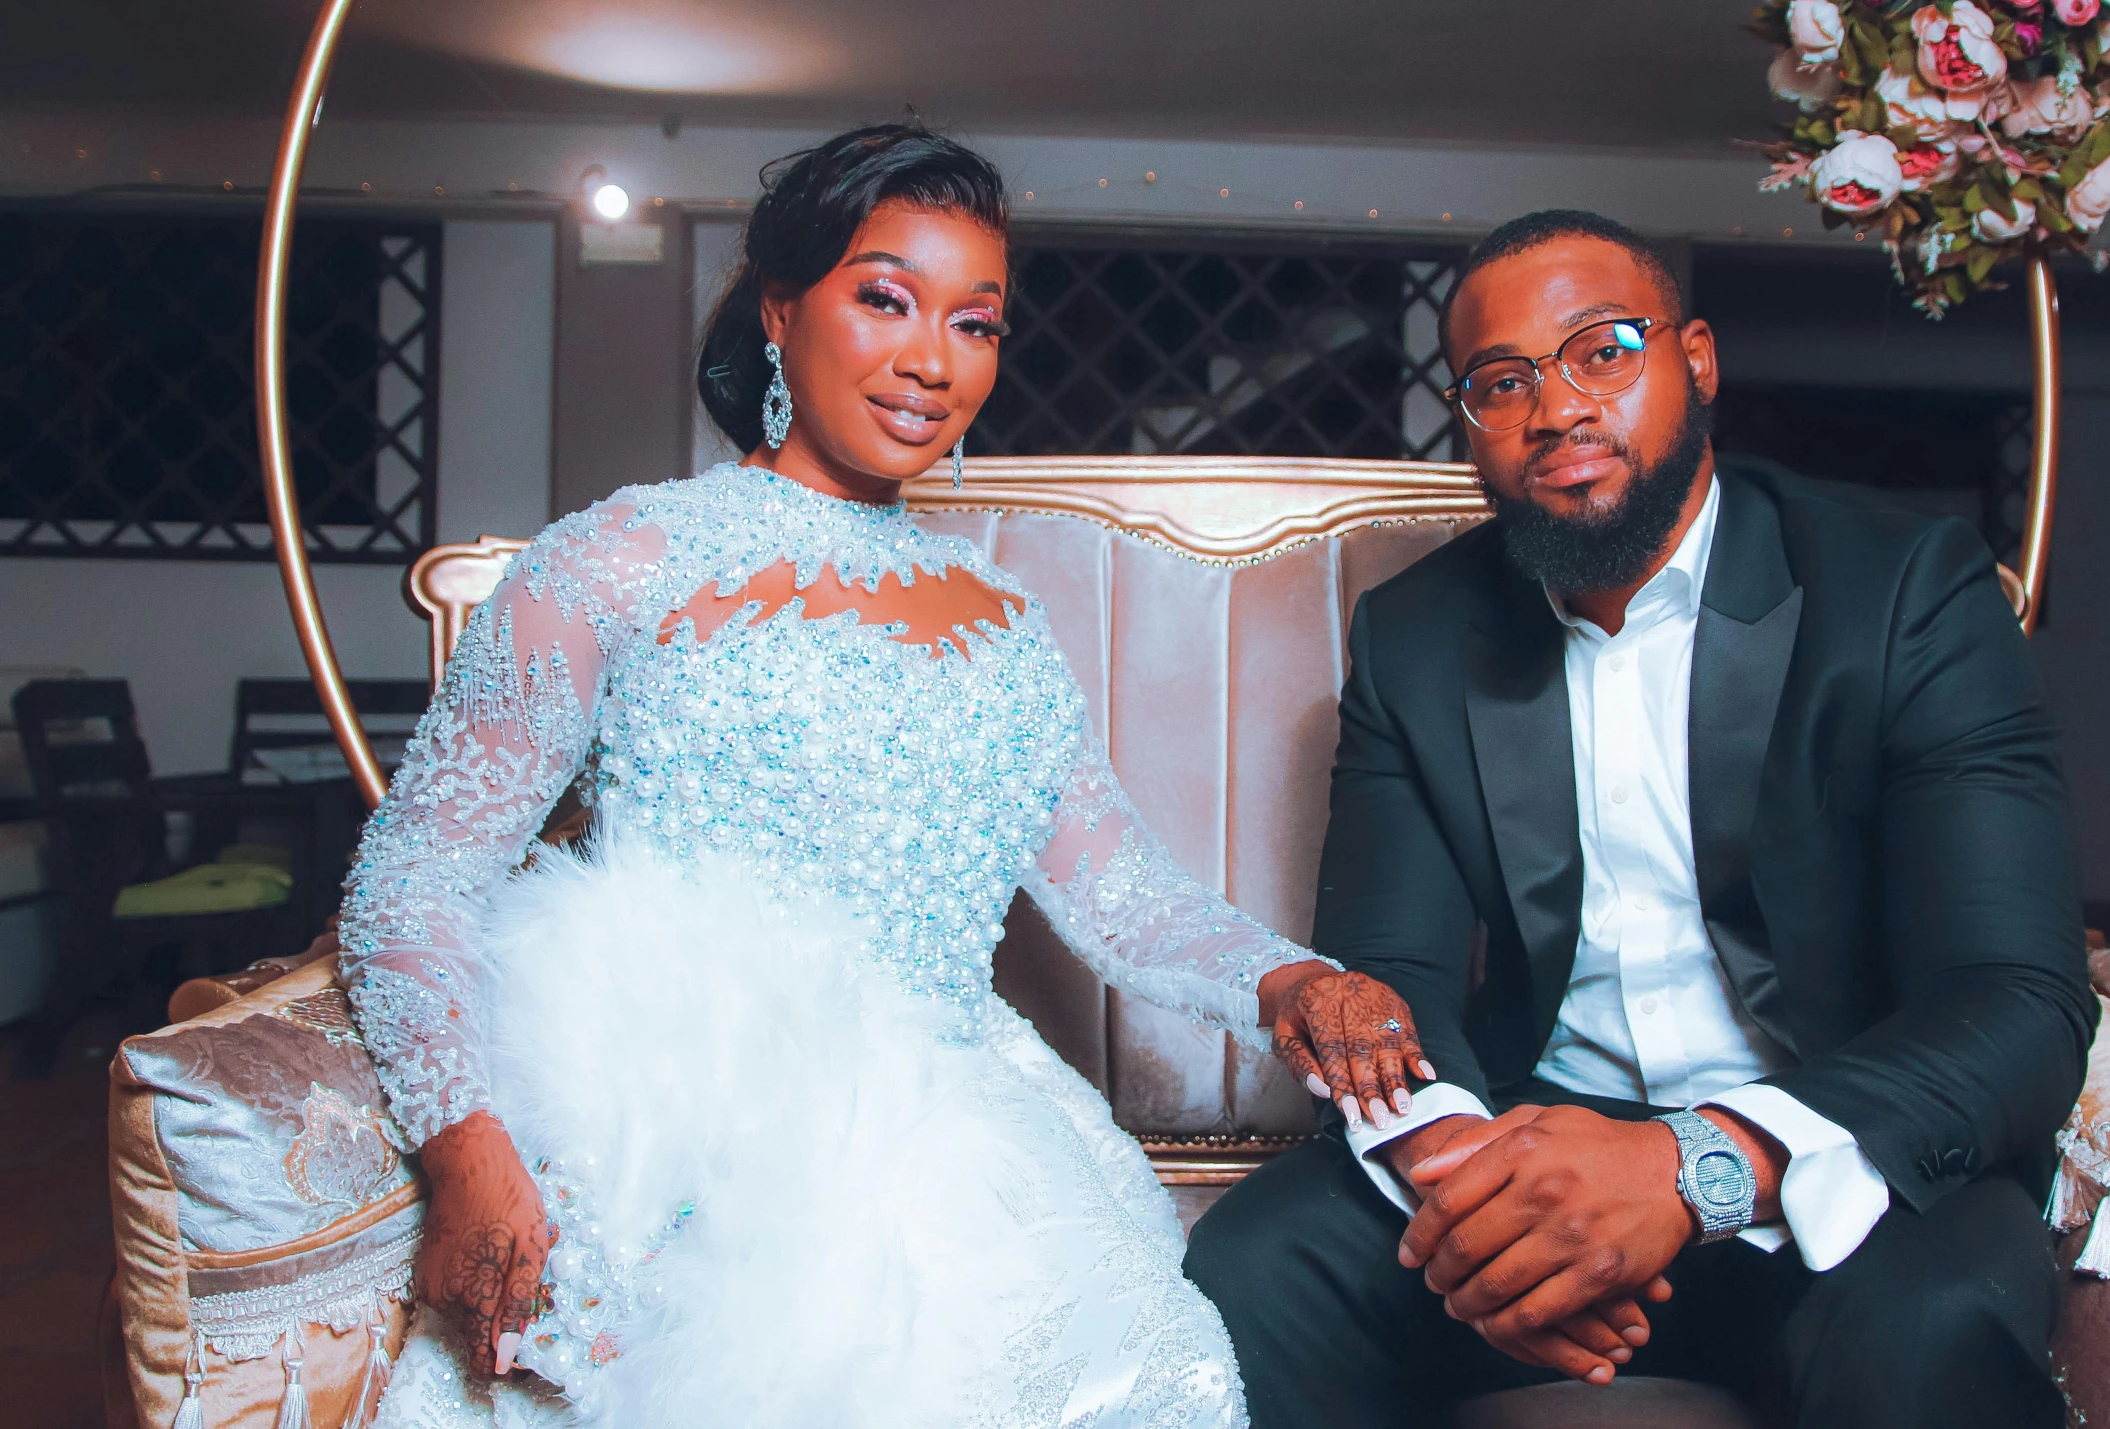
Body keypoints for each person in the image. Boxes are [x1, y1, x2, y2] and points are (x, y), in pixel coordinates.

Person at [343, 124, 1434, 1429]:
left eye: (976, 323)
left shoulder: (1001, 622)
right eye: (884, 299)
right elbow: (413, 878)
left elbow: (1124, 894)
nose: (931, 361)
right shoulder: (617, 557)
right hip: (674, 1129)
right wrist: (465, 1150)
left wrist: (1288, 979)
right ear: (778, 306)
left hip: (948, 1136)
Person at [1185, 210, 2096, 1429]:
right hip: (1537, 1143)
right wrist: (1475, 1204)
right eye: (1502, 381)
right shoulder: (1416, 637)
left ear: (1698, 360)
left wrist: (1698, 1164)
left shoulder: (1902, 587)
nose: (1555, 408)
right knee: (1257, 1268)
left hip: (1829, 1150)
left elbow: (2017, 997)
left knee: (1930, 1331)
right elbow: (1392, 971)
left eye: (1602, 349)